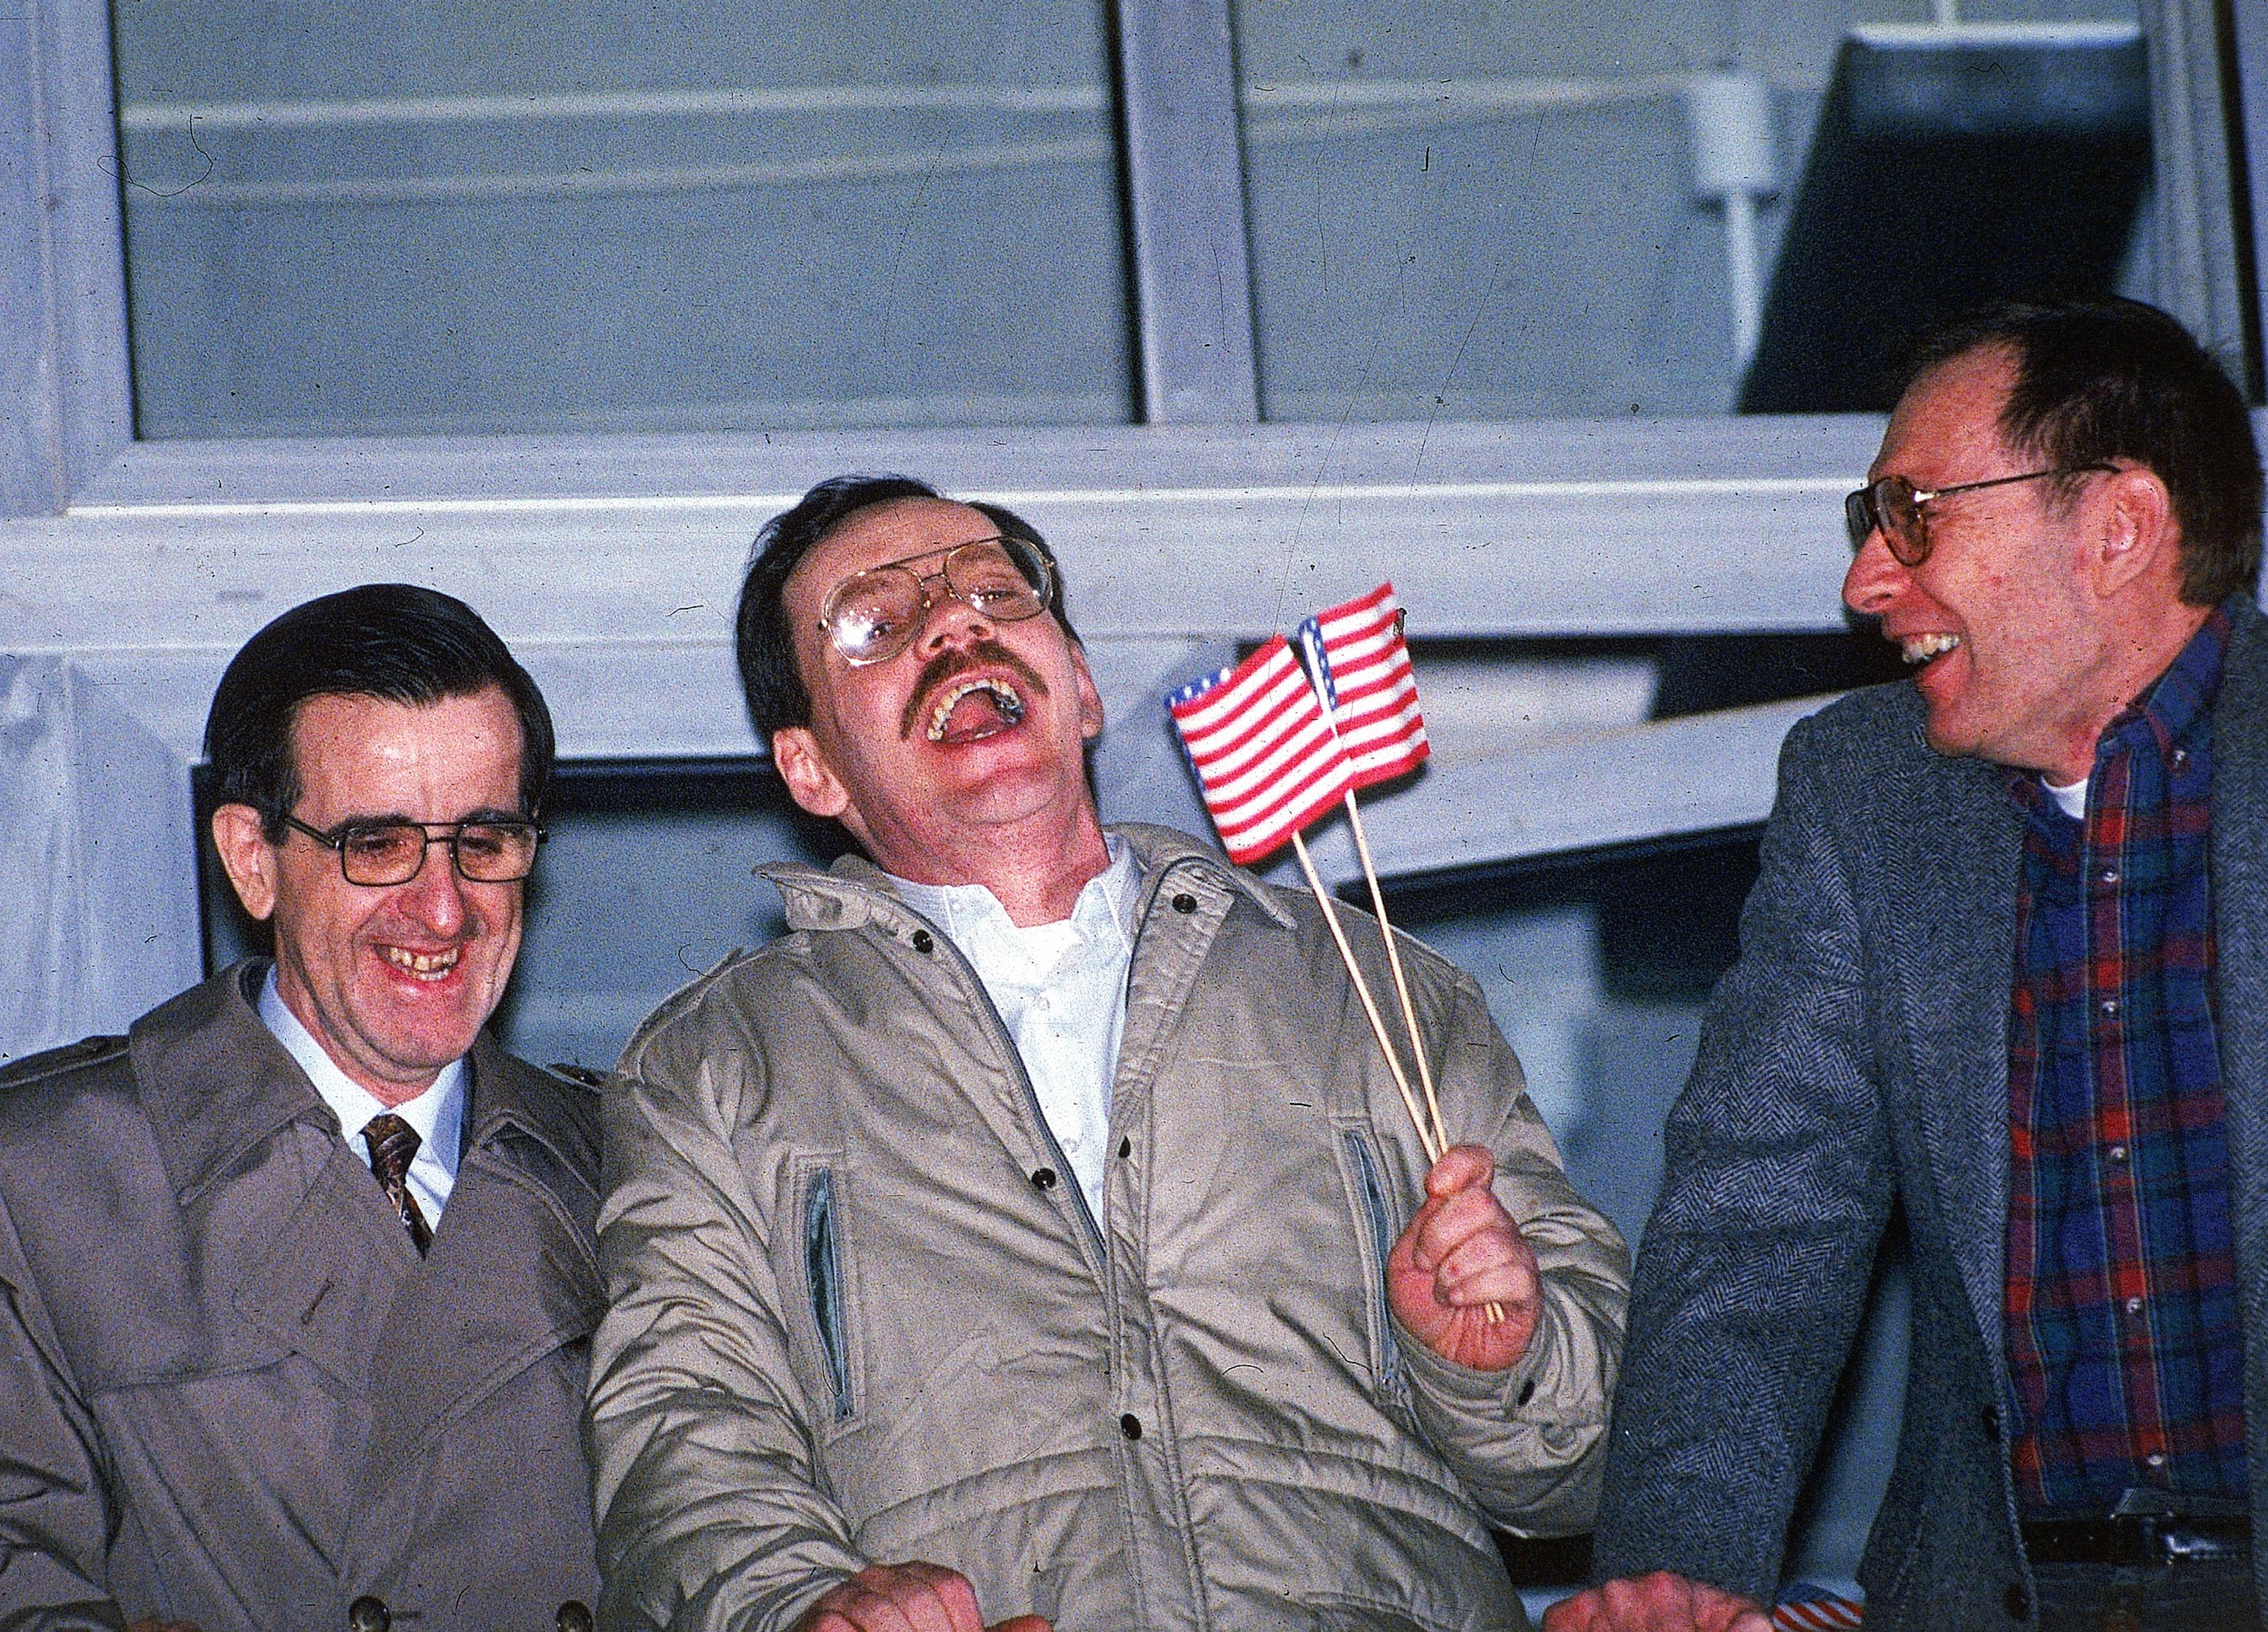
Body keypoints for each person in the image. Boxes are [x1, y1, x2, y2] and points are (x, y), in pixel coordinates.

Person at [585, 473, 1629, 1631]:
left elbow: (1591, 1467)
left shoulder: (1378, 990)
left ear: (1081, 688)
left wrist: (1500, 1357)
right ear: (810, 768)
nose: (953, 622)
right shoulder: (716, 1069)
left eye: (994, 587)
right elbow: (683, 1437)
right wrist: (802, 1606)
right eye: (876, 624)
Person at [1551, 297, 2268, 1632]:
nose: (1865, 583)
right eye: (1866, 525)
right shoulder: (1864, 791)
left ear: (2117, 528)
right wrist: (1676, 1589)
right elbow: (1756, 1229)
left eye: (1915, 513)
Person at [0, 585, 606, 1631]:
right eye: (377, 846)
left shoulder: (630, 1161)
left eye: (484, 842)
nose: (443, 908)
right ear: (253, 860)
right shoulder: (35, 1178)